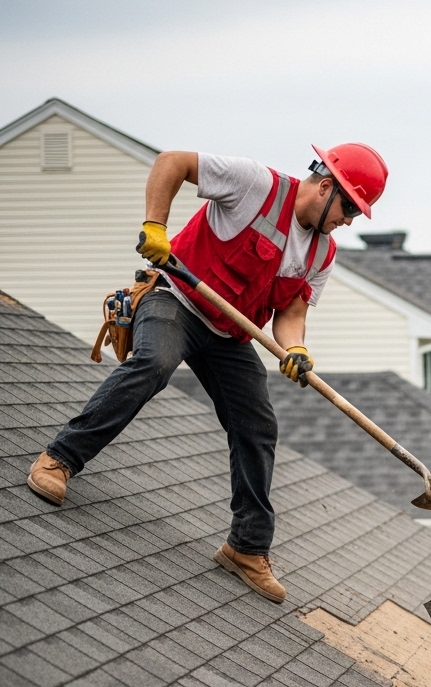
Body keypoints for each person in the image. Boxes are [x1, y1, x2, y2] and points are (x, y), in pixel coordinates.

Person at [27, 143, 388, 604]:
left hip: (227, 334)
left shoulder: (321, 253)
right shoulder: (257, 185)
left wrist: (295, 347)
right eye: (349, 208)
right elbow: (172, 163)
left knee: (258, 424)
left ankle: (246, 547)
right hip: (174, 297)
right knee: (154, 363)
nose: (349, 221)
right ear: (324, 187)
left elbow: (292, 312)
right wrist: (154, 227)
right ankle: (59, 458)